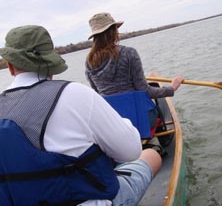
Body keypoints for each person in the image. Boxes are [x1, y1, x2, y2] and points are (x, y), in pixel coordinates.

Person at [0, 25, 162, 206]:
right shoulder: (75, 93)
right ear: (51, 64)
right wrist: (122, 122)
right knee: (150, 155)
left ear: (11, 67)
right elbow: (131, 152)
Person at [85, 12, 184, 98]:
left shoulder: (89, 61)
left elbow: (98, 93)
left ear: (95, 37)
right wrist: (172, 88)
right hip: (136, 113)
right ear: (113, 31)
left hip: (112, 116)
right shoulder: (129, 53)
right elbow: (145, 91)